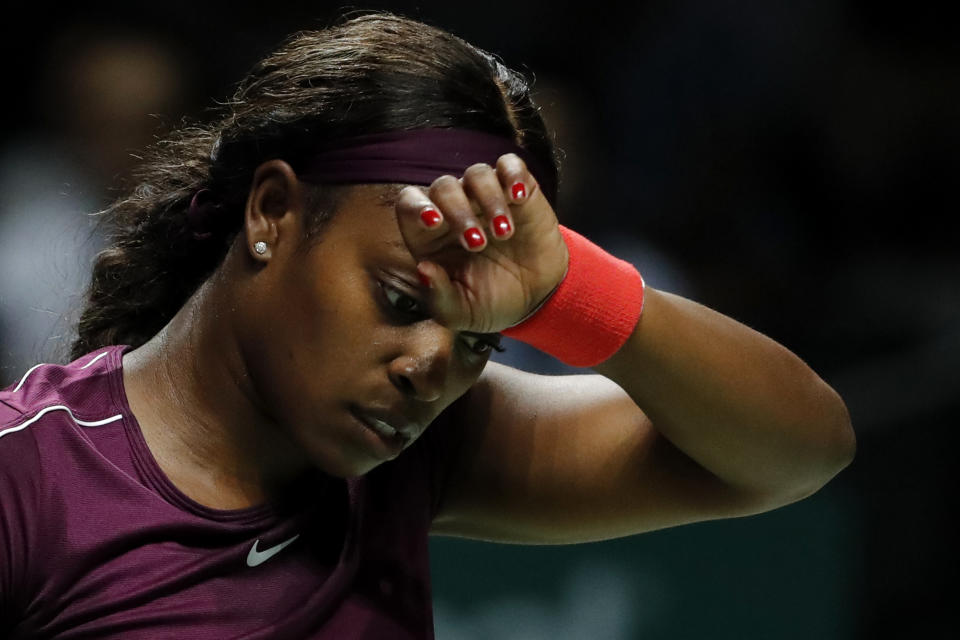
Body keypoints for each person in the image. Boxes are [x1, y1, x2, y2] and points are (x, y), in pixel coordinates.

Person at [0, 12, 855, 639]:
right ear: (272, 213)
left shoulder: (423, 451)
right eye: (402, 301)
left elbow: (799, 450)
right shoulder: (26, 481)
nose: (431, 369)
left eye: (478, 340)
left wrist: (571, 296)